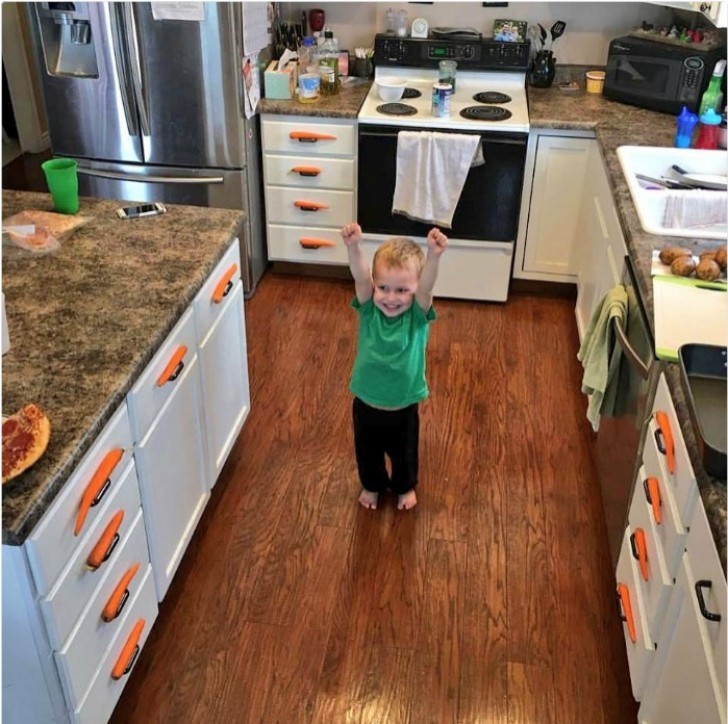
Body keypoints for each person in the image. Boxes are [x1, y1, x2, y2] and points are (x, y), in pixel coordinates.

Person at [340, 222, 448, 511]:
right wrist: (354, 248)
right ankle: (372, 485)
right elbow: (361, 279)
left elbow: (426, 287)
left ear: (415, 291)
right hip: (366, 400)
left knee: (405, 453)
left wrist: (434, 256)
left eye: (402, 290)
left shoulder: (416, 315)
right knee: (367, 451)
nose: (390, 297)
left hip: (403, 403)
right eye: (384, 287)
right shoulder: (369, 309)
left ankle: (404, 486)